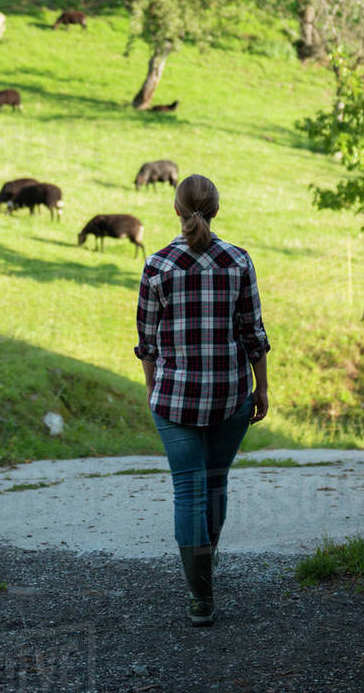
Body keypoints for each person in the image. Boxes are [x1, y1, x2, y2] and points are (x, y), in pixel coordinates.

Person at [134, 173, 269, 626]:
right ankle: (206, 568)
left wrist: (154, 388)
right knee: (215, 483)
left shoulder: (157, 265)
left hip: (175, 398)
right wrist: (261, 386)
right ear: (216, 208)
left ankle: (201, 598)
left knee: (187, 490)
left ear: (176, 209)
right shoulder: (239, 261)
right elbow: (254, 333)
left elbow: (146, 341)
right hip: (230, 395)